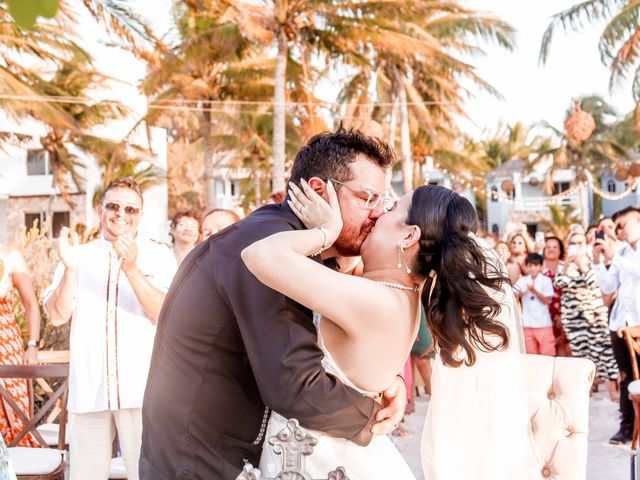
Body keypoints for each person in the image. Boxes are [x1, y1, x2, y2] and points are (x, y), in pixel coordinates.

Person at [139, 127, 406, 480]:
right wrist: (374, 414)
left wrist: (386, 382)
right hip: (200, 463)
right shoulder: (266, 248)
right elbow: (296, 385)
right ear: (317, 190)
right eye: (367, 198)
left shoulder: (289, 245)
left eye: (382, 202)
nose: (377, 214)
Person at [243, 182, 528, 479]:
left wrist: (327, 230)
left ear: (408, 235)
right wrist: (393, 381)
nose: (378, 212)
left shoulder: (379, 302)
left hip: (316, 460)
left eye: (391, 208)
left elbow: (260, 255)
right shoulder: (401, 296)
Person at [43, 178, 176, 480]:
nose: (121, 214)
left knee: (148, 475)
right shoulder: (78, 256)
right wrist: (69, 269)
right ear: (99, 209)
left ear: (140, 215)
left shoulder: (159, 256)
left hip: (142, 391)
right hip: (89, 390)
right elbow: (56, 315)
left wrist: (131, 268)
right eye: (113, 206)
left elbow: (164, 315)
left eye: (130, 209)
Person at [592, 205, 640, 445]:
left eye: (623, 225)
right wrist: (599, 261)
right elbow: (610, 286)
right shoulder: (620, 253)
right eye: (617, 226)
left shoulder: (622, 255)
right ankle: (627, 426)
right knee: (626, 377)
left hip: (639, 324)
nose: (619, 230)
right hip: (620, 323)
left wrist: (613, 257)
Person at [553, 231, 618, 398]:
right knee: (581, 357)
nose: (577, 246)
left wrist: (582, 266)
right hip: (573, 319)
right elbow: (559, 283)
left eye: (580, 242)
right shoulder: (563, 265)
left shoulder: (594, 261)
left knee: (604, 353)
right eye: (573, 242)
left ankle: (613, 391)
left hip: (595, 316)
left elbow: (594, 282)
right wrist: (568, 266)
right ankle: (586, 393)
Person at [0, 245, 40, 447]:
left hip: (5, 346)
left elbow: (31, 304)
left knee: (14, 415)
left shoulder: (10, 255)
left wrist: (32, 345)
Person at [514, 253, 556, 356]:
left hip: (543, 324)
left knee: (548, 355)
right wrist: (523, 293)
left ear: (541, 266)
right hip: (527, 324)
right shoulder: (523, 280)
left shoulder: (546, 280)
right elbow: (513, 292)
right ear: (527, 266)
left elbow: (547, 300)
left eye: (536, 265)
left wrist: (534, 291)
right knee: (531, 356)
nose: (532, 268)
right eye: (530, 265)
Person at [542, 236, 571, 357]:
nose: (551, 249)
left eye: (555, 247)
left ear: (560, 250)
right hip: (544, 317)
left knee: (567, 350)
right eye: (548, 247)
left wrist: (563, 315)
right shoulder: (538, 267)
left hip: (566, 314)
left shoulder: (567, 267)